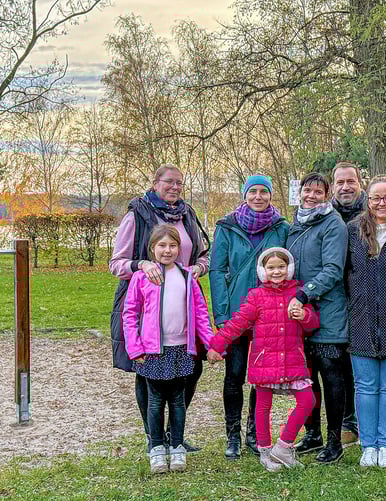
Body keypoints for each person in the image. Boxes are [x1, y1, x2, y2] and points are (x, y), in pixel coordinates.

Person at [110, 164, 211, 454]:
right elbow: (116, 262)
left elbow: (202, 253)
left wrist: (199, 268)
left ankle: (173, 433)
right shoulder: (138, 214)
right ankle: (153, 436)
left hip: (184, 300)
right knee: (148, 372)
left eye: (180, 183)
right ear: (155, 183)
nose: (175, 187)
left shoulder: (187, 214)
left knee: (191, 368)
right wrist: (141, 264)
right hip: (146, 303)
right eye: (169, 182)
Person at [207, 247, 320, 471]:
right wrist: (217, 345)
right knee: (262, 407)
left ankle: (284, 446)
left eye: (281, 267)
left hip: (292, 359)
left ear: (289, 268)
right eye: (271, 268)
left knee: (308, 400)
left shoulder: (298, 294)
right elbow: (237, 323)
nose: (276, 271)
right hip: (264, 360)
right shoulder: (256, 296)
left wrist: (304, 316)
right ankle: (265, 451)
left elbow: (313, 324)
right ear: (262, 270)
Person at [123, 225, 215, 474]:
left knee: (177, 401)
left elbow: (201, 314)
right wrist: (135, 348)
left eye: (172, 245)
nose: (167, 250)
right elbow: (130, 314)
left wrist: (210, 344)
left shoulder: (187, 277)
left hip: (181, 349)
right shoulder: (142, 278)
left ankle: (176, 446)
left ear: (180, 248)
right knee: (154, 402)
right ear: (153, 248)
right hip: (152, 351)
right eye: (162, 245)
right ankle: (156, 447)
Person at [209, 175, 289, 459]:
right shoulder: (227, 227)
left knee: (261, 377)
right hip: (236, 312)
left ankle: (256, 431)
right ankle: (233, 434)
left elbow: (288, 265)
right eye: (252, 191)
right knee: (234, 374)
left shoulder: (281, 228)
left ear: (270, 195)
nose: (258, 196)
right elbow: (217, 270)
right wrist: (221, 313)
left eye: (263, 192)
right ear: (245, 195)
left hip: (269, 313)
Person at [345, 176, 386, 468]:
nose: (381, 203)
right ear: (367, 200)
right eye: (376, 198)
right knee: (365, 385)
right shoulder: (352, 231)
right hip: (361, 319)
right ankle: (368, 444)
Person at [286, 172, 350, 463]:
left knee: (331, 379)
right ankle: (313, 434)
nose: (311, 196)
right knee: (306, 378)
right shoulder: (296, 225)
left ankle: (335, 440)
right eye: (307, 190)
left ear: (327, 195)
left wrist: (305, 293)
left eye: (318, 191)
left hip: (328, 314)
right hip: (301, 316)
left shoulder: (332, 224)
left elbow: (333, 269)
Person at [329, 161, 365, 446]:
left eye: (350, 181)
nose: (345, 187)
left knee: (361, 363)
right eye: (340, 182)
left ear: (359, 183)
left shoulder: (371, 212)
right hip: (334, 298)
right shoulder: (327, 215)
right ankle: (345, 420)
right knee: (338, 363)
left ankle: (362, 422)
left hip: (364, 296)